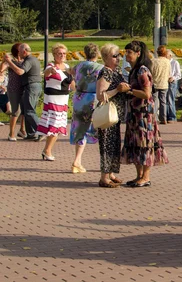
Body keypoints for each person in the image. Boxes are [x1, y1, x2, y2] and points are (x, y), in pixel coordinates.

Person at [120, 40, 168, 187]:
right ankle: (139, 175)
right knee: (135, 143)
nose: (126, 55)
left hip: (144, 114)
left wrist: (128, 90)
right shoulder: (133, 70)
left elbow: (147, 94)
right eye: (126, 52)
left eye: (130, 52)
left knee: (144, 144)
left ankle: (146, 177)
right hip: (134, 113)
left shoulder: (142, 70)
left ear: (138, 53)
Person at [95, 43, 127, 188]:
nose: (118, 58)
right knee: (107, 145)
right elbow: (101, 96)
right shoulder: (106, 72)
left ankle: (112, 173)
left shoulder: (117, 71)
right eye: (115, 56)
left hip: (116, 115)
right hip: (107, 115)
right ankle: (104, 177)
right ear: (106, 58)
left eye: (119, 55)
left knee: (114, 145)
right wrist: (117, 90)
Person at [69, 43, 104, 173]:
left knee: (80, 129)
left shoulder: (79, 66)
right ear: (98, 53)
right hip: (93, 99)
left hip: (79, 98)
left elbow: (70, 72)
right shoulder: (101, 68)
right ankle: (104, 162)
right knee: (100, 129)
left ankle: (77, 160)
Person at [38, 44, 75, 161]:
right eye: (60, 53)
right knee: (54, 125)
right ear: (54, 55)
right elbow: (47, 73)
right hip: (52, 100)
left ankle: (47, 150)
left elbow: (73, 86)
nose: (62, 55)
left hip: (63, 100)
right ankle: (47, 150)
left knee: (58, 126)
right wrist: (51, 70)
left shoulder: (67, 66)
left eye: (64, 53)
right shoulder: (51, 66)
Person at [3, 43, 42, 140]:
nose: (19, 54)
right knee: (25, 110)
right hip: (28, 87)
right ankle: (30, 133)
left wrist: (8, 61)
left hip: (31, 86)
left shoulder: (28, 60)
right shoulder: (33, 59)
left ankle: (41, 131)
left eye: (20, 51)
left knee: (29, 111)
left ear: (24, 51)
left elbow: (20, 72)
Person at [0, 42, 25, 141]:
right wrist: (3, 61)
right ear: (17, 51)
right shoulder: (11, 61)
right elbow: (1, 69)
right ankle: (11, 133)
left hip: (24, 87)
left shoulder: (25, 60)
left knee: (24, 110)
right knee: (16, 111)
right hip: (14, 89)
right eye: (22, 48)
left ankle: (22, 130)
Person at [151, 45, 170, 124]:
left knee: (153, 101)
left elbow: (151, 72)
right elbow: (169, 73)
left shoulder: (154, 61)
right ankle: (164, 118)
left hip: (155, 83)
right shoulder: (167, 61)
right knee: (163, 101)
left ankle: (153, 118)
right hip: (164, 84)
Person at [166, 51, 181, 123]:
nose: (165, 57)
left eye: (166, 55)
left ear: (170, 56)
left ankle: (172, 117)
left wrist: (173, 78)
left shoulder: (175, 63)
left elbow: (178, 75)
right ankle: (165, 116)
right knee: (164, 100)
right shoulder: (164, 62)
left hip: (172, 82)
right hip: (165, 82)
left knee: (170, 99)